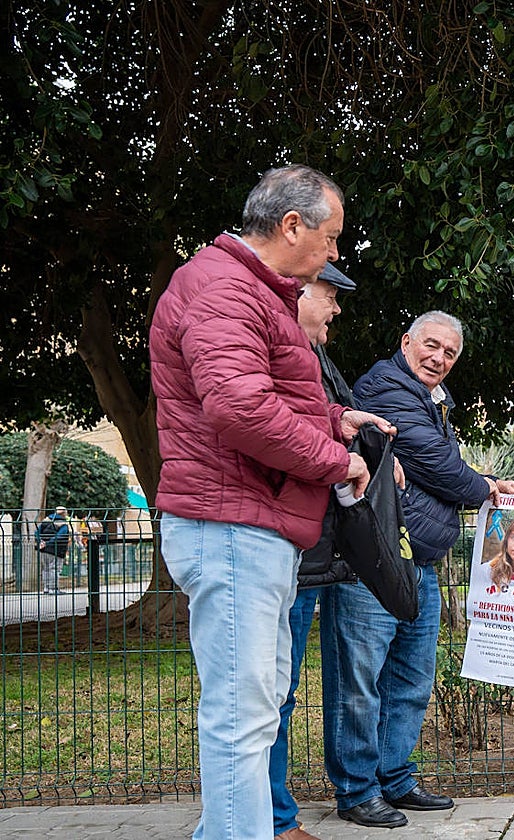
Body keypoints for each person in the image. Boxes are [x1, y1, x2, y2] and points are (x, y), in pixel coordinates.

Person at [149, 165, 394, 840]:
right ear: (292, 226)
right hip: (231, 524)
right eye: (333, 236)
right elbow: (240, 409)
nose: (335, 254)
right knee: (242, 712)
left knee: (254, 709)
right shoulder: (225, 289)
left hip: (252, 524)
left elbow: (264, 395)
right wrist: (333, 458)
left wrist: (332, 417)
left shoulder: (244, 289)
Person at [321, 310, 514, 828]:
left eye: (450, 353)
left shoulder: (429, 400)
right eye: (431, 345)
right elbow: (434, 461)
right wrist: (485, 487)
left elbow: (432, 465)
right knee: (359, 681)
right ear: (406, 342)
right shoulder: (388, 387)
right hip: (374, 560)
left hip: (419, 561)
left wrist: (475, 479)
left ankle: (394, 778)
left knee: (410, 679)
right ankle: (357, 790)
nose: (439, 357)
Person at [268, 261, 362, 840]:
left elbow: (323, 421)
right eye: (328, 296)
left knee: (279, 689)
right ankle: (273, 820)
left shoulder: (316, 358)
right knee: (270, 693)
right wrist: (343, 455)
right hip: (288, 552)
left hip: (312, 552)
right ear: (298, 292)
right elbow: (286, 433)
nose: (335, 309)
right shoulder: (281, 353)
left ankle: (269, 815)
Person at [36, 506, 71, 594]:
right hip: (56, 550)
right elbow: (59, 537)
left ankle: (46, 588)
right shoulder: (63, 524)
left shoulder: (46, 521)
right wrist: (48, 543)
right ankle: (53, 588)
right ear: (64, 514)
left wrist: (41, 541)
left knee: (46, 569)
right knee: (54, 569)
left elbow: (36, 532)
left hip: (43, 549)